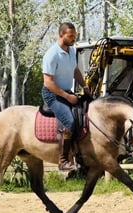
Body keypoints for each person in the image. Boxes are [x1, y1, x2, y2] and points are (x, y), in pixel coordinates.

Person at [42, 22, 90, 171]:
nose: (73, 39)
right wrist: (68, 97)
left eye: (74, 36)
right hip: (53, 95)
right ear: (61, 35)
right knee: (69, 121)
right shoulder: (52, 54)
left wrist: (85, 87)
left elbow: (75, 70)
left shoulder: (71, 51)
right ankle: (63, 161)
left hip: (66, 92)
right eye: (70, 36)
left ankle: (80, 155)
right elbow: (48, 82)